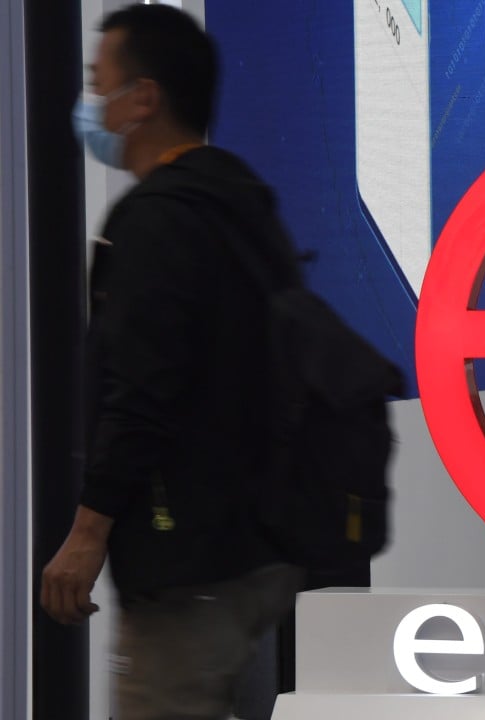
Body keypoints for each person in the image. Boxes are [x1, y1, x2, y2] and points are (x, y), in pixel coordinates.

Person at [40, 5, 303, 718]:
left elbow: (142, 391)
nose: (93, 104)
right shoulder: (247, 209)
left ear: (144, 99)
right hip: (258, 557)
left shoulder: (156, 221)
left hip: (184, 565)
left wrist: (87, 532)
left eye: (101, 83)